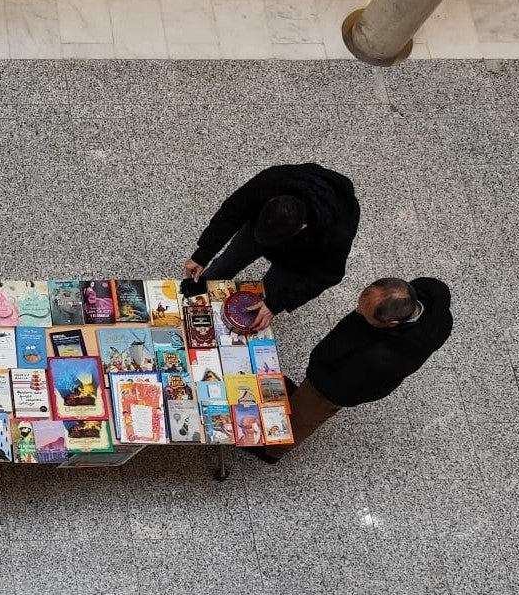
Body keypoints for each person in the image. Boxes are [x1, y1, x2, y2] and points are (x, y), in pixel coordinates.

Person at [252, 277, 452, 463]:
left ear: (391, 324)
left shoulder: (380, 359)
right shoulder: (431, 293)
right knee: (302, 399)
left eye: (365, 315)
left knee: (303, 418)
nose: (357, 311)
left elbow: (339, 390)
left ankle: (272, 450)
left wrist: (316, 370)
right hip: (345, 368)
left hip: (335, 387)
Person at [184, 163, 361, 331]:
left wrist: (275, 304)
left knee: (266, 295)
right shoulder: (272, 181)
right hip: (258, 230)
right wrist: (202, 255)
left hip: (298, 258)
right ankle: (201, 289)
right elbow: (231, 213)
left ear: (301, 227)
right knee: (229, 260)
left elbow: (326, 276)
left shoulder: (338, 232)